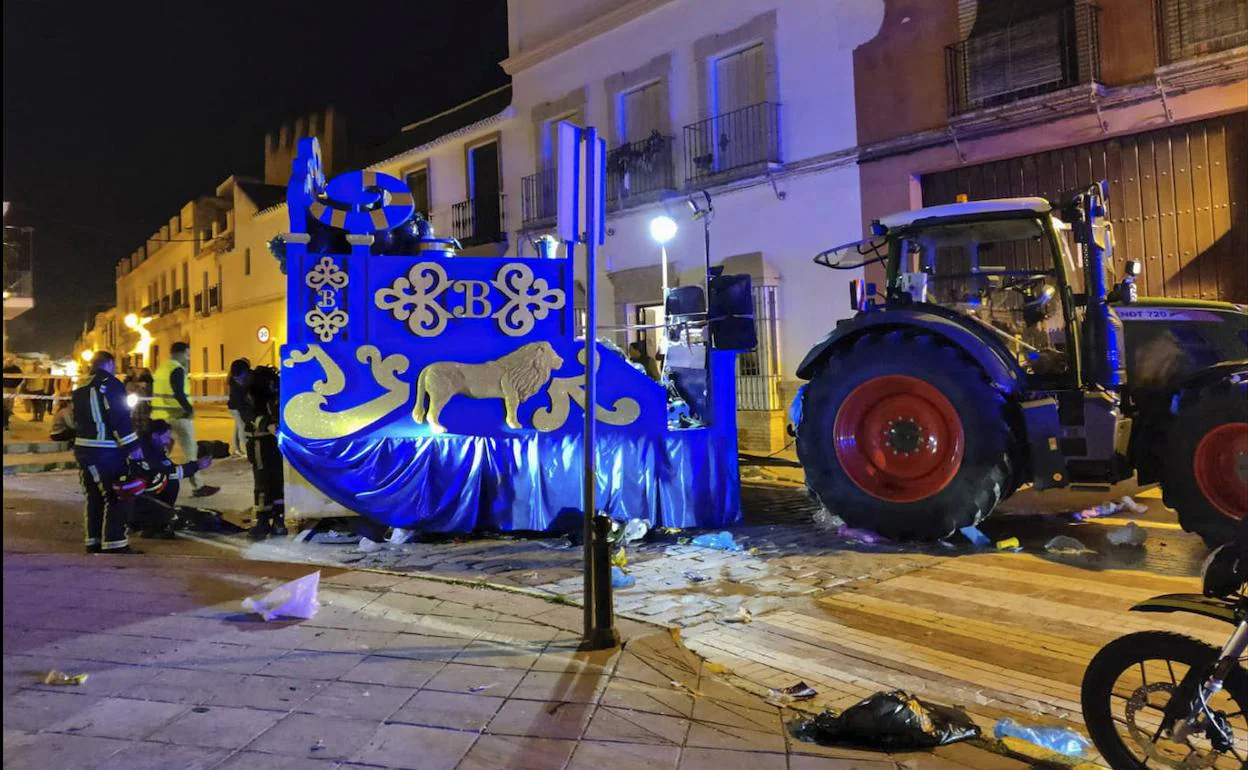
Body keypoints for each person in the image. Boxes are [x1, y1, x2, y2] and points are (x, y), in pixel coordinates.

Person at [72, 351, 142, 554]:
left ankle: (93, 540)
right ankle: (114, 542)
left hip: (84, 448)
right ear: (110, 364)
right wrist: (132, 446)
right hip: (105, 449)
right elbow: (119, 417)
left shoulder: (81, 385)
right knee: (115, 494)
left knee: (94, 496)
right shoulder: (110, 384)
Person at [151, 343, 216, 497]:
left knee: (161, 453)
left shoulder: (161, 369)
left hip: (162, 418)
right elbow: (178, 393)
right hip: (179, 416)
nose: (189, 357)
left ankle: (155, 481)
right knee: (190, 451)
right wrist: (189, 409)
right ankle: (198, 486)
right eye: (187, 354)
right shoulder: (177, 369)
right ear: (179, 353)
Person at [130, 419, 213, 538]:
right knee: (168, 482)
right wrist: (197, 465)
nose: (168, 440)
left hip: (139, 493)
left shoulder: (152, 446)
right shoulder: (147, 450)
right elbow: (169, 473)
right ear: (155, 435)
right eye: (166, 436)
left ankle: (152, 520)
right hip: (138, 496)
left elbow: (169, 468)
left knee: (168, 482)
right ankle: (150, 524)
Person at [246, 366, 287, 540]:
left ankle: (264, 522)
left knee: (264, 482)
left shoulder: (256, 394)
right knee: (276, 481)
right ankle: (277, 521)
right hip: (271, 444)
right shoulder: (274, 394)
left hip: (263, 444)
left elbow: (253, 416)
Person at [226, 359, 252, 459]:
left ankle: (237, 449)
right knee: (242, 428)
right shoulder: (238, 379)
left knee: (237, 428)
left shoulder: (231, 378)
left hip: (233, 406)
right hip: (236, 407)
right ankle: (246, 450)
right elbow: (240, 395)